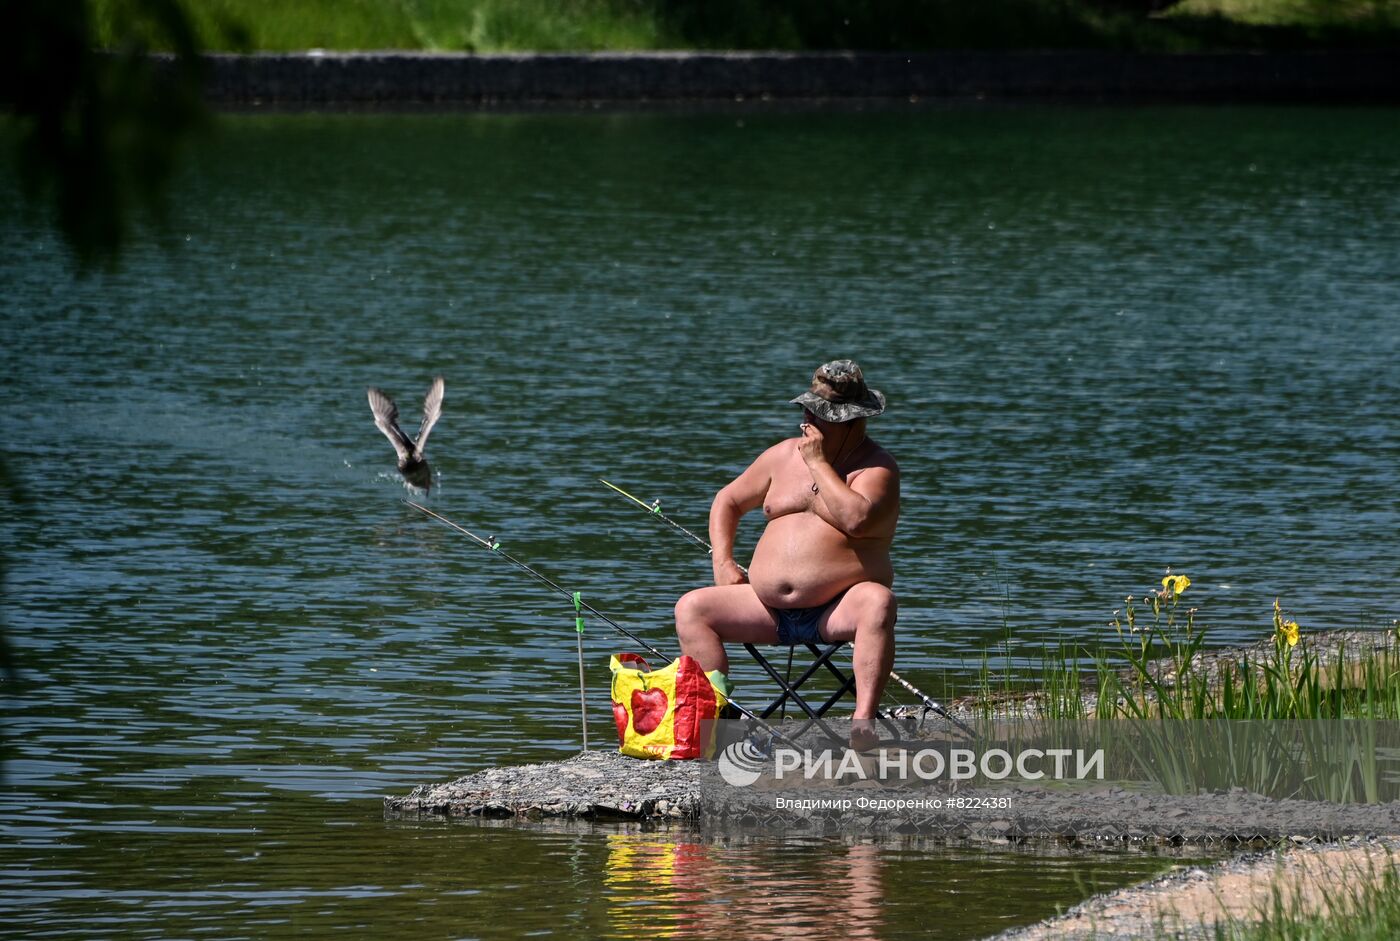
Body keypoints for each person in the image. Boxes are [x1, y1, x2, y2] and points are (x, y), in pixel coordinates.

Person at [675, 360, 899, 751]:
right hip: (767, 610)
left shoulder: (877, 469)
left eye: (820, 415)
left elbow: (857, 520)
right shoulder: (780, 456)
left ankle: (863, 722)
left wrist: (817, 463)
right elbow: (727, 500)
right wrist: (723, 562)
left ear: (853, 421)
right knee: (692, 607)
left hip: (837, 609)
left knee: (879, 602)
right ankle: (715, 722)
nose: (807, 421)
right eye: (807, 410)